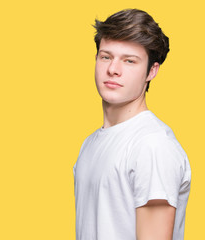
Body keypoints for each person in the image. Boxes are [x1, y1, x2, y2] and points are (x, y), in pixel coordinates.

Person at [73, 9, 191, 240]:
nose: (113, 69)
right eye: (106, 56)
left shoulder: (152, 146)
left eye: (129, 61)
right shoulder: (90, 144)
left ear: (152, 71)